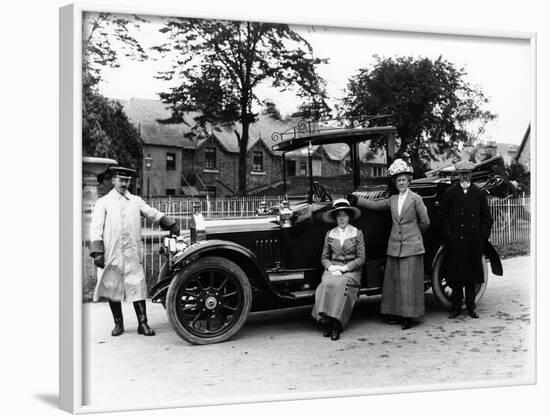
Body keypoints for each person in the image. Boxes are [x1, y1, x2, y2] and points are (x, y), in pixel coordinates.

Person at [89, 166, 180, 336]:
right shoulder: (104, 202)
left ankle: (143, 324)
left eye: (127, 181)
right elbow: (96, 228)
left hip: (132, 252)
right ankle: (118, 324)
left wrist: (169, 222)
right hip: (112, 252)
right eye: (121, 180)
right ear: (113, 180)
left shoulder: (136, 201)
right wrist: (97, 252)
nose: (124, 184)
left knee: (137, 285)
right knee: (113, 287)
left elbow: (152, 213)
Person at [348, 158, 430, 330]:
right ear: (395, 182)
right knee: (395, 282)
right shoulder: (392, 199)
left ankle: (408, 317)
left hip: (411, 247)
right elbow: (375, 205)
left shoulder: (416, 199)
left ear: (409, 181)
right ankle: (395, 314)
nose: (401, 182)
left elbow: (425, 222)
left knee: (408, 283)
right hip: (394, 246)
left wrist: (414, 236)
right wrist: (357, 201)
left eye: (404, 180)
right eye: (398, 180)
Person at [437, 160, 493, 319]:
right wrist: (449, 234)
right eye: (462, 174)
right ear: (458, 175)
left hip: (473, 242)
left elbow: (487, 218)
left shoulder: (479, 193)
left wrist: (481, 237)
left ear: (471, 174)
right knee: (455, 278)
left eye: (467, 174)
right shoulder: (450, 193)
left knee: (470, 277)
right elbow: (442, 215)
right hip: (456, 241)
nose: (465, 176)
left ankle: (470, 308)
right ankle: (455, 308)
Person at [312, 199, 365, 341]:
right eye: (339, 215)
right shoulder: (330, 234)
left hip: (351, 271)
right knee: (326, 284)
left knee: (341, 284)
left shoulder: (357, 233)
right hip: (333, 269)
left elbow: (361, 258)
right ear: (335, 218)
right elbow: (324, 257)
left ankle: (336, 325)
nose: (342, 218)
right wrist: (331, 267)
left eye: (344, 215)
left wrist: (345, 268)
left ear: (349, 217)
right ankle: (327, 321)